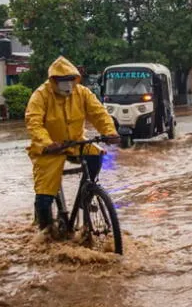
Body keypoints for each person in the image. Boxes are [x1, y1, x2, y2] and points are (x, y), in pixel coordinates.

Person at [24, 56, 119, 243]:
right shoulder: (41, 95)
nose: (67, 85)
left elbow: (99, 113)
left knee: (96, 154)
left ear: (75, 79)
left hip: (76, 143)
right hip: (49, 149)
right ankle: (46, 233)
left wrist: (110, 132)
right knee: (44, 195)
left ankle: (88, 193)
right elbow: (33, 122)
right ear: (53, 81)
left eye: (70, 80)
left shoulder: (82, 93)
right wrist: (47, 142)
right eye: (62, 81)